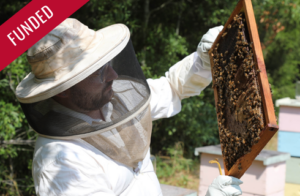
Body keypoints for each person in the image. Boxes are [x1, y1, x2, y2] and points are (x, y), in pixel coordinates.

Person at [16, 18, 242, 196]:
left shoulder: (115, 102)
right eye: (99, 72)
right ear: (64, 89)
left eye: (107, 65)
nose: (113, 74)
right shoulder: (61, 162)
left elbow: (172, 88)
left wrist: (203, 60)